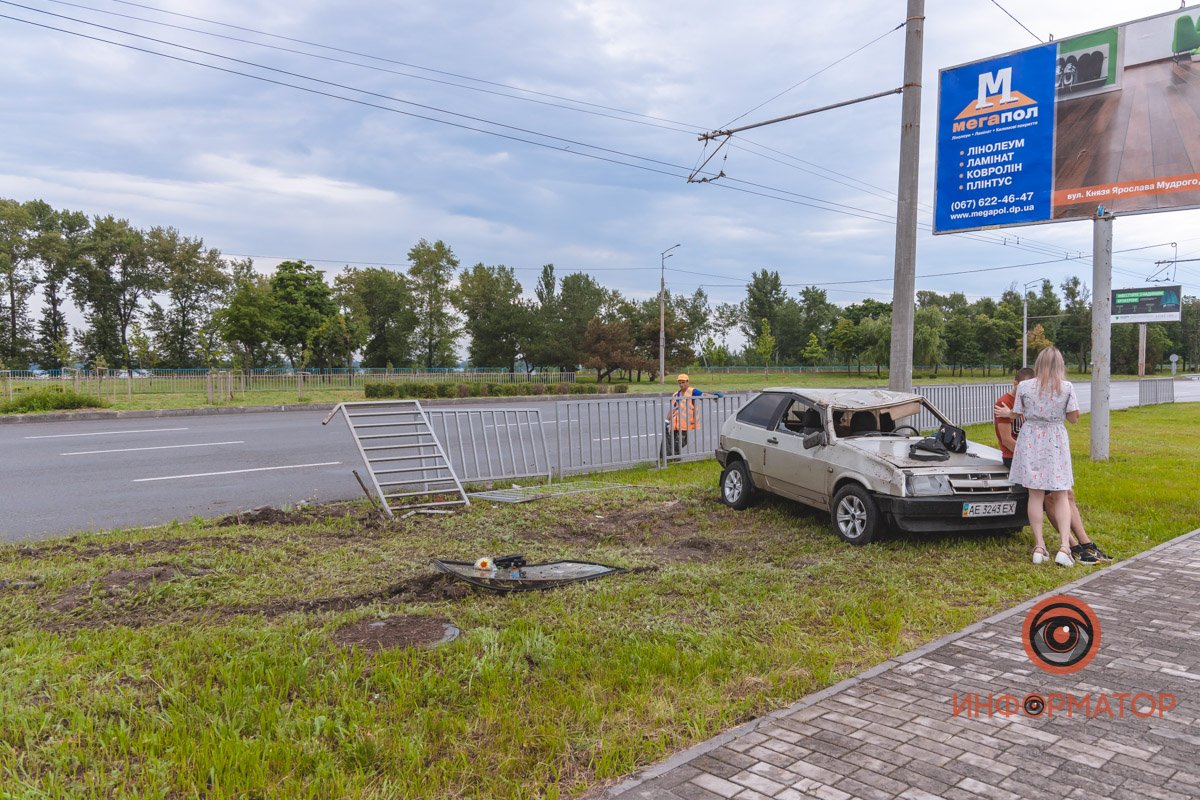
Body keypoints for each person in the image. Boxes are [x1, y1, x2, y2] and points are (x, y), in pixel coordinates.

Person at [995, 366, 1110, 565]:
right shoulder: (1005, 403)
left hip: (1040, 454)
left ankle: (1084, 542)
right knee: (1051, 497)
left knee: (1067, 494)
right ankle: (1072, 546)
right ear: (1017, 384)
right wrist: (1031, 455)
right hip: (1019, 457)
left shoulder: (1038, 397)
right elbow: (1006, 440)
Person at [1008, 346, 1091, 567]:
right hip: (1054, 438)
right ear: (1060, 365)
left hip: (1030, 437)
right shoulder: (1066, 387)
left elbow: (1017, 413)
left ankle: (1039, 546)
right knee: (1061, 493)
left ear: (1039, 364)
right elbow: (1073, 418)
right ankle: (1064, 547)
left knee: (1035, 494)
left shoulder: (1024, 386)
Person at [667, 374, 721, 457]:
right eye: (680, 383)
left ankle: (673, 457)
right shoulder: (675, 394)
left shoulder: (692, 391)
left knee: (681, 442)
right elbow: (672, 409)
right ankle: (673, 457)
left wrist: (713, 396)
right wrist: (667, 420)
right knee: (673, 442)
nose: (681, 385)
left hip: (684, 424)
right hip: (674, 423)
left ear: (687, 382)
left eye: (683, 382)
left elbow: (703, 395)